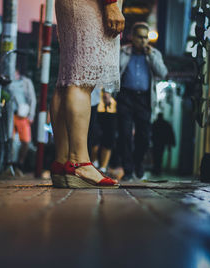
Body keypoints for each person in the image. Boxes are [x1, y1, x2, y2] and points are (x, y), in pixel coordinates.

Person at [49, 0, 124, 188]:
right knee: (81, 81)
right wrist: (111, 3)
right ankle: (79, 162)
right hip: (92, 5)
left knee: (67, 80)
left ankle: (62, 161)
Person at [117, 22, 168, 181]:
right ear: (132, 37)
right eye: (139, 37)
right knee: (125, 135)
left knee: (144, 137)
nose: (143, 41)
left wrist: (151, 55)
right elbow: (113, 72)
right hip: (125, 97)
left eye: (146, 37)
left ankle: (138, 163)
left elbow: (163, 73)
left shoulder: (154, 54)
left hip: (144, 99)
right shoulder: (122, 52)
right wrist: (108, 92)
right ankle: (128, 170)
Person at [11, 70, 37, 176]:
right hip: (10, 114)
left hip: (22, 115)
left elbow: (32, 98)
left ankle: (19, 164)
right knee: (10, 140)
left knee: (26, 141)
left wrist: (31, 115)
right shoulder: (8, 81)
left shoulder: (26, 82)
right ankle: (10, 164)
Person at [90, 87, 118, 173]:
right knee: (94, 136)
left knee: (109, 138)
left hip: (111, 107)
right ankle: (94, 162)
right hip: (95, 103)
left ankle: (103, 167)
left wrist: (108, 92)